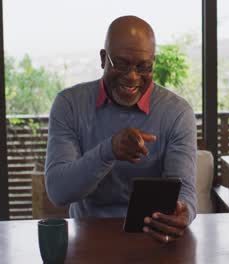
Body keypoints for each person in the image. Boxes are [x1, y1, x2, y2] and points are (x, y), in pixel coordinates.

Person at [44, 15, 197, 243]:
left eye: (143, 67)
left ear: (153, 62)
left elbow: (184, 191)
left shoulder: (177, 113)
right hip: (89, 239)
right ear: (103, 58)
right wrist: (108, 151)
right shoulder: (70, 104)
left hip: (153, 239)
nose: (132, 76)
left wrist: (184, 212)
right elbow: (59, 192)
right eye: (122, 64)